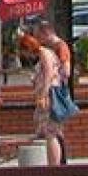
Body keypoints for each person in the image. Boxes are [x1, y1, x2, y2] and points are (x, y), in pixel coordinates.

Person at [31, 21, 70, 165]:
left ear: (45, 33)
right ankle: (60, 163)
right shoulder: (50, 49)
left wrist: (45, 91)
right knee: (54, 132)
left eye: (37, 35)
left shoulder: (59, 47)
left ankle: (56, 166)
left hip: (54, 93)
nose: (37, 39)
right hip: (54, 91)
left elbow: (66, 71)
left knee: (52, 132)